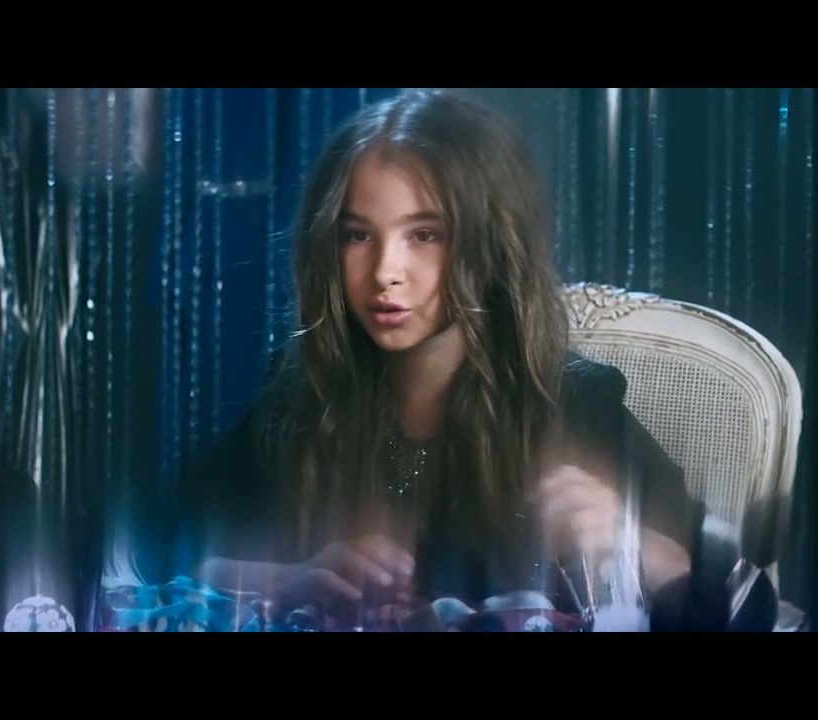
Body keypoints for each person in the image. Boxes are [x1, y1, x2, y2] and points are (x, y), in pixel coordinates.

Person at [127, 89, 740, 632]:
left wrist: (628, 541)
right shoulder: (302, 399)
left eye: (425, 235)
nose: (385, 272)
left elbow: (730, 594)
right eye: (358, 235)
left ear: (489, 243)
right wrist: (288, 580)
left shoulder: (572, 404)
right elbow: (161, 554)